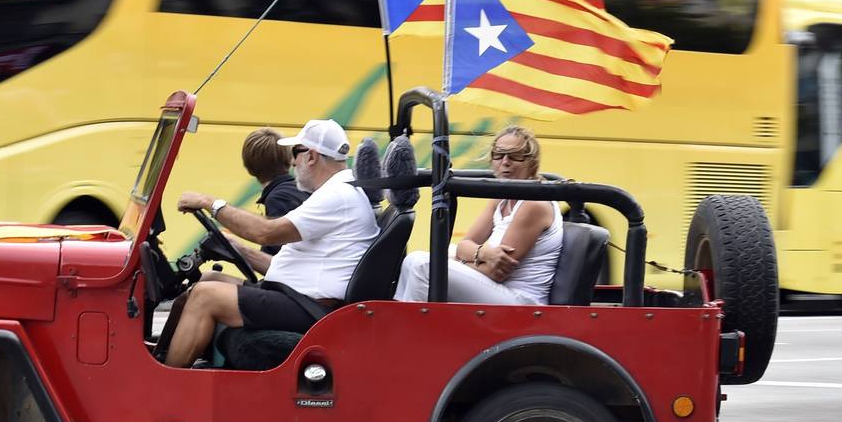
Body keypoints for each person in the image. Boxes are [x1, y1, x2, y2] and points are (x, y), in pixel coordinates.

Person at [163, 118, 379, 368]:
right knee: (209, 280)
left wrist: (210, 203)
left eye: (295, 154)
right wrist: (238, 246)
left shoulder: (337, 196)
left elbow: (266, 233)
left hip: (311, 308)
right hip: (296, 296)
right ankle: (159, 358)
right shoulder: (335, 192)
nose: (292, 162)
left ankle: (163, 389)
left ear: (311, 156)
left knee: (205, 296)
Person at [395, 126, 563, 304]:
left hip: (520, 301)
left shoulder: (533, 203)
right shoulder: (501, 199)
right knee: (414, 260)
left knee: (422, 265)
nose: (505, 162)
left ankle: (414, 329)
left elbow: (495, 272)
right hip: (496, 289)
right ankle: (403, 323)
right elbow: (463, 245)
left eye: (515, 155)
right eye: (498, 154)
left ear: (531, 162)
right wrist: (483, 253)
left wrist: (464, 259)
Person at [242, 127, 309, 254]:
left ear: (248, 166)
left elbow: (282, 259)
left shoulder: (279, 199)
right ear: (288, 160)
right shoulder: (299, 189)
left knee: (210, 275)